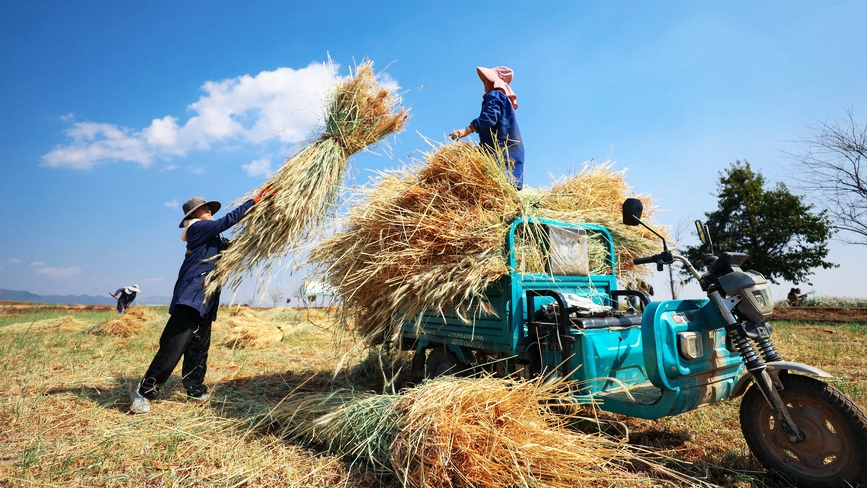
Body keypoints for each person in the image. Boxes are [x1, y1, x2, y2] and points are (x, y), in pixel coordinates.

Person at [130, 187, 274, 414]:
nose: (208, 210)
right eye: (202, 208)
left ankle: (195, 388)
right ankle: (144, 391)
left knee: (199, 347)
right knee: (173, 347)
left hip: (206, 299)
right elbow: (228, 220)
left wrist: (263, 226)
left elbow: (234, 248)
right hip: (190, 297)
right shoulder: (196, 229)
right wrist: (254, 201)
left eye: (208, 207)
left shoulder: (213, 238)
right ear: (192, 215)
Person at [449, 66, 525, 189]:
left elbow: (489, 117)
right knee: (507, 186)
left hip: (502, 149)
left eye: (486, 80)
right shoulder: (503, 99)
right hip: (512, 150)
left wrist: (467, 130)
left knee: (495, 182)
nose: (484, 84)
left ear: (494, 82)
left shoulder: (494, 94)